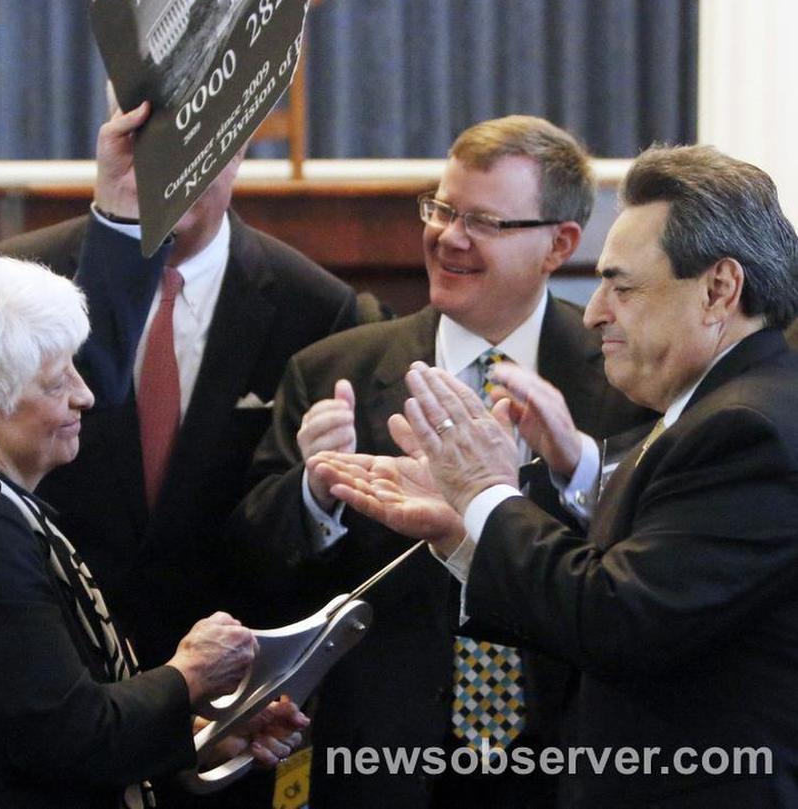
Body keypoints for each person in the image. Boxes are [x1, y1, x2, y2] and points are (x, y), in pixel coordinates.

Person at [317, 144, 798, 807]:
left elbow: (616, 617)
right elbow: (615, 582)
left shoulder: (747, 427)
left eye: (621, 285)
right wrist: (465, 534)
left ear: (719, 289)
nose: (597, 310)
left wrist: (488, 493)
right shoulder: (721, 407)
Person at [227, 115, 655, 807]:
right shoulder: (336, 369)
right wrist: (314, 492)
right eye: (442, 209)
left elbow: (649, 563)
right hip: (384, 757)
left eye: (483, 220)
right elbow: (250, 561)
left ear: (560, 244)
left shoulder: (623, 378)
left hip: (571, 755)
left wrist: (579, 471)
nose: (448, 236)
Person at [0, 256, 307, 808]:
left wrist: (202, 736)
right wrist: (189, 673)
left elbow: (47, 722)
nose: (84, 395)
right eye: (55, 381)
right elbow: (70, 737)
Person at [0, 102, 364, 668]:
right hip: (50, 659)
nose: (175, 168)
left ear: (239, 147)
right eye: (154, 142)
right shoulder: (17, 279)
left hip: (231, 674)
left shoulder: (315, 307)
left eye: (198, 144)